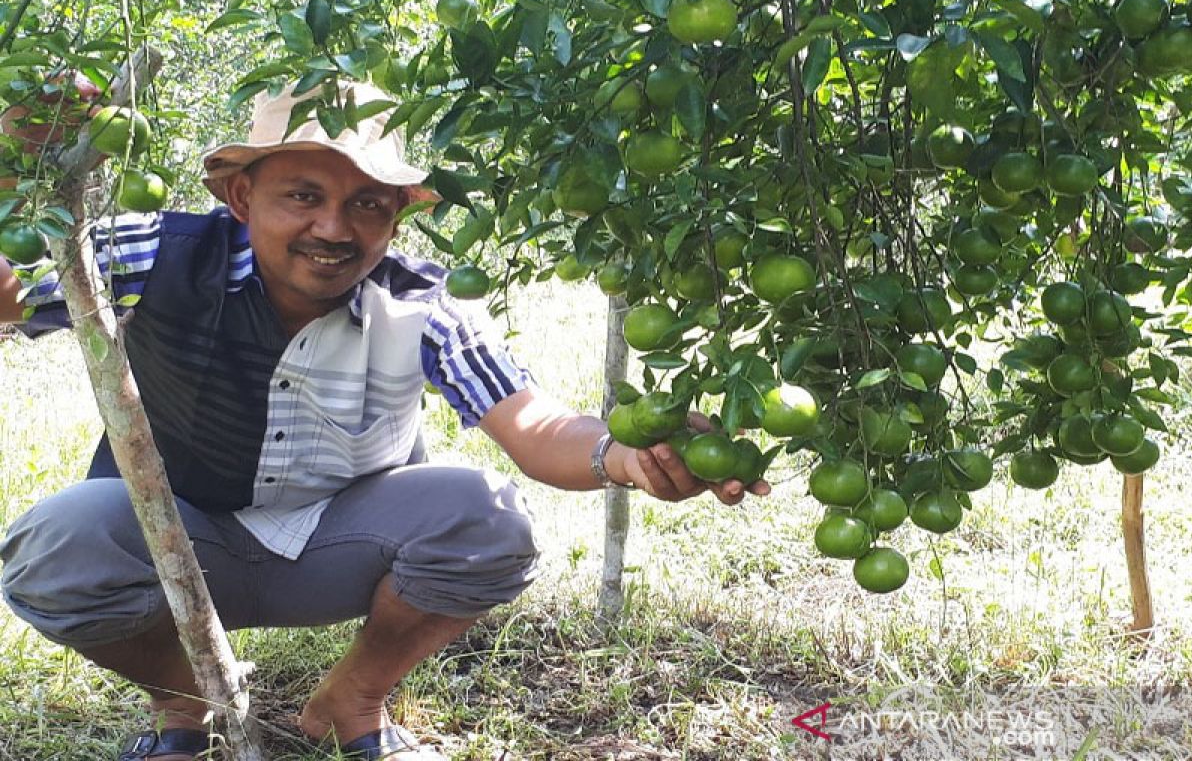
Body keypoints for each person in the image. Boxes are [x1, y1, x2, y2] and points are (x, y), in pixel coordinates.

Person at [0, 80, 770, 761]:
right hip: (177, 544)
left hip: (341, 550)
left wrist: (622, 455)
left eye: (367, 203)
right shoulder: (149, 253)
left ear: (397, 215)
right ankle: (187, 704)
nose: (335, 229)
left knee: (487, 519)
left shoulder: (420, 301)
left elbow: (533, 428)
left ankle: (350, 703)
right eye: (303, 195)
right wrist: (11, 163)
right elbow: (10, 290)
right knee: (57, 544)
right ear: (241, 199)